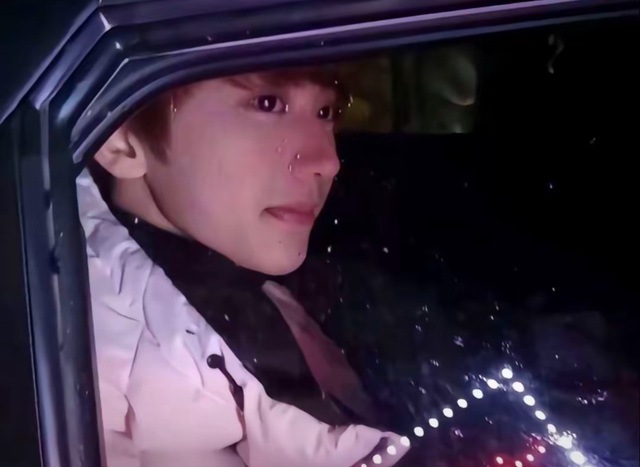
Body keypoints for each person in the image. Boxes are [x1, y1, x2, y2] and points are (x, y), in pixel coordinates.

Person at [80, 67, 410, 467]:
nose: (327, 161)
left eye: (326, 113)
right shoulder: (86, 382)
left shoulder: (248, 295)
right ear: (123, 139)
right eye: (268, 104)